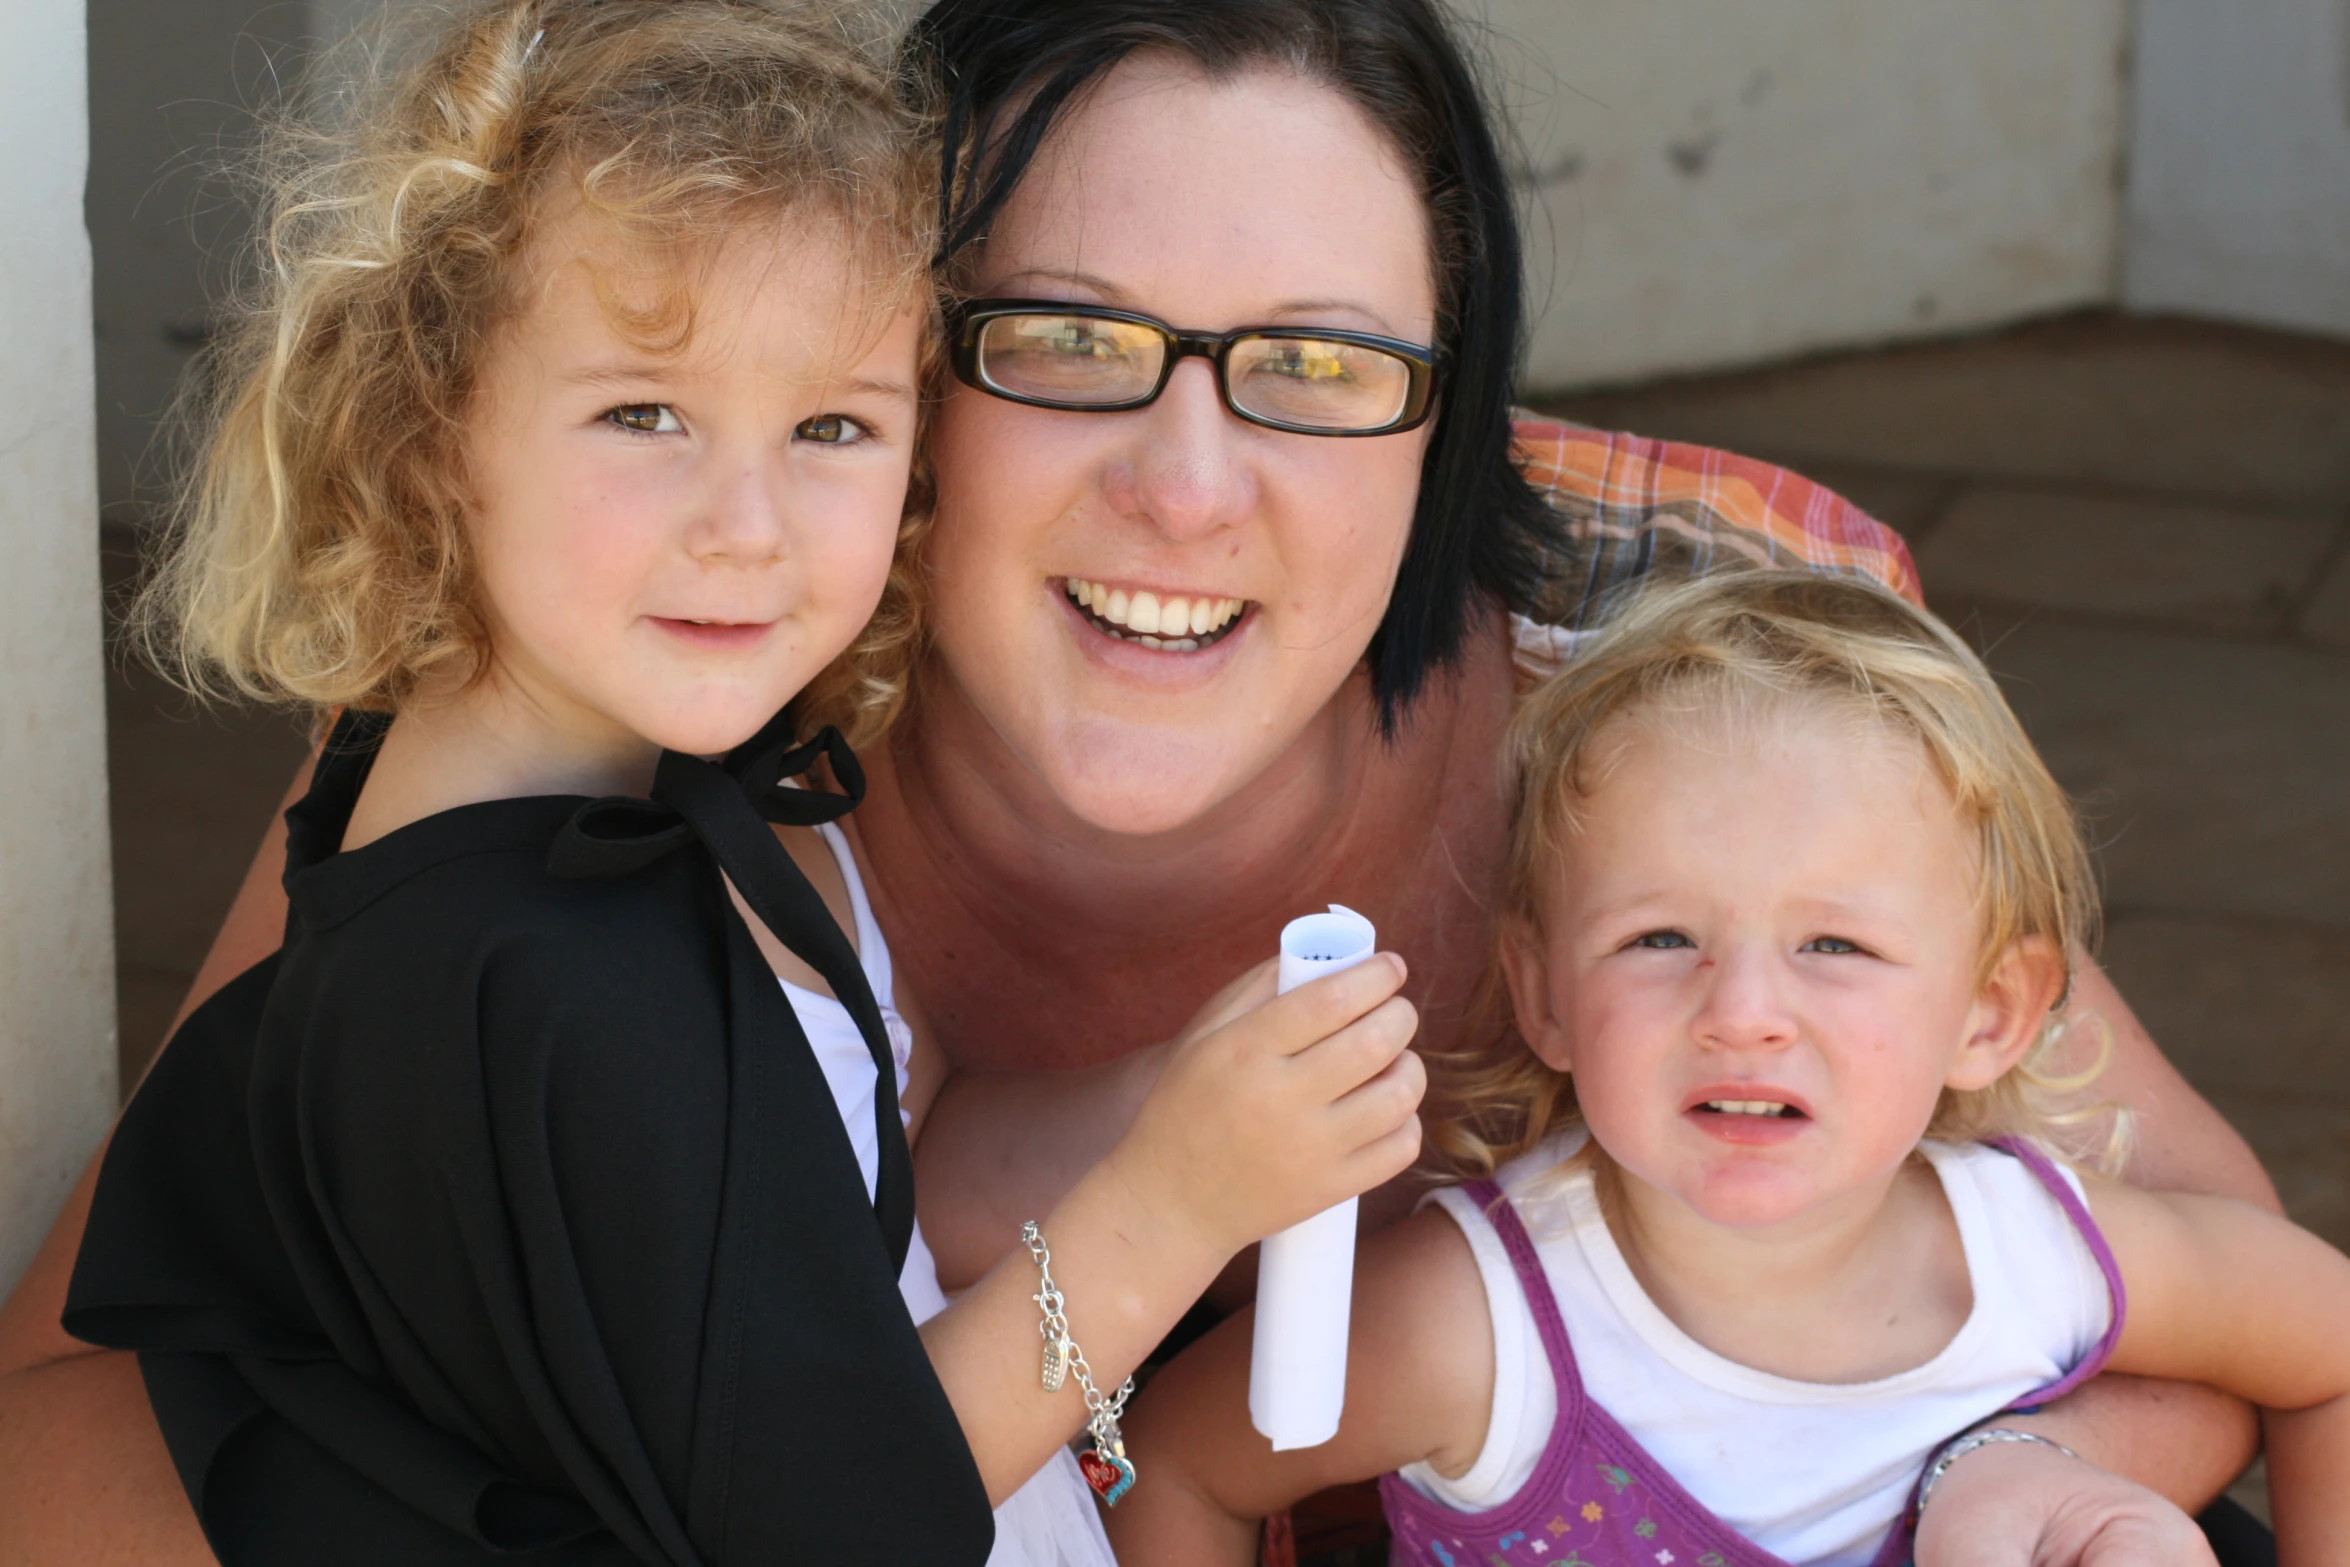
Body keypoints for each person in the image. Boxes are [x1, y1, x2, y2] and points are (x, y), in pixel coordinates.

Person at [0, 0, 2278, 1560]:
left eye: (1314, 365)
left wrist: (1999, 1465)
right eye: (1067, 340)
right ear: (890, 361)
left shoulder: (1713, 686)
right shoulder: (613, 698)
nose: (1186, 484)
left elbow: (2203, 1263)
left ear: (1449, 411)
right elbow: (106, 1383)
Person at [45, 3, 1426, 1563]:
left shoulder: (488, 810)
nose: (747, 522)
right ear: (429, 418)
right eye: (646, 413)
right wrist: (1173, 1200)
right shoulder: (551, 982)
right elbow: (837, 1522)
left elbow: (813, 1217)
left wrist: (1188, 1103)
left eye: (830, 424)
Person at [1109, 571, 2350, 1567]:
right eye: (1661, 938)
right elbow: (1178, 1460)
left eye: (1835, 944)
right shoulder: (1476, 1325)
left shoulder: (2039, 1254)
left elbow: (2327, 1342)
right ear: (1545, 994)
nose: (1744, 1012)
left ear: (1990, 1012)